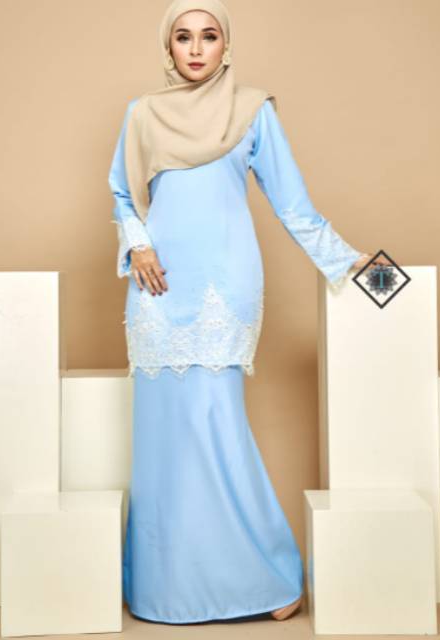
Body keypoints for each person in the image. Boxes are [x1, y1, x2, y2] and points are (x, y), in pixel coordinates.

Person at [108, 0, 372, 625]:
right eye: (183, 37)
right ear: (168, 47)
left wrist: (353, 264)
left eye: (209, 36)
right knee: (163, 441)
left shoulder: (253, 110)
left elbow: (293, 203)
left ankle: (267, 579)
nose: (196, 48)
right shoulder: (142, 114)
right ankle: (165, 590)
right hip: (156, 287)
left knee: (215, 428)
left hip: (221, 289)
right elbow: (123, 191)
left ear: (226, 45)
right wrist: (138, 243)